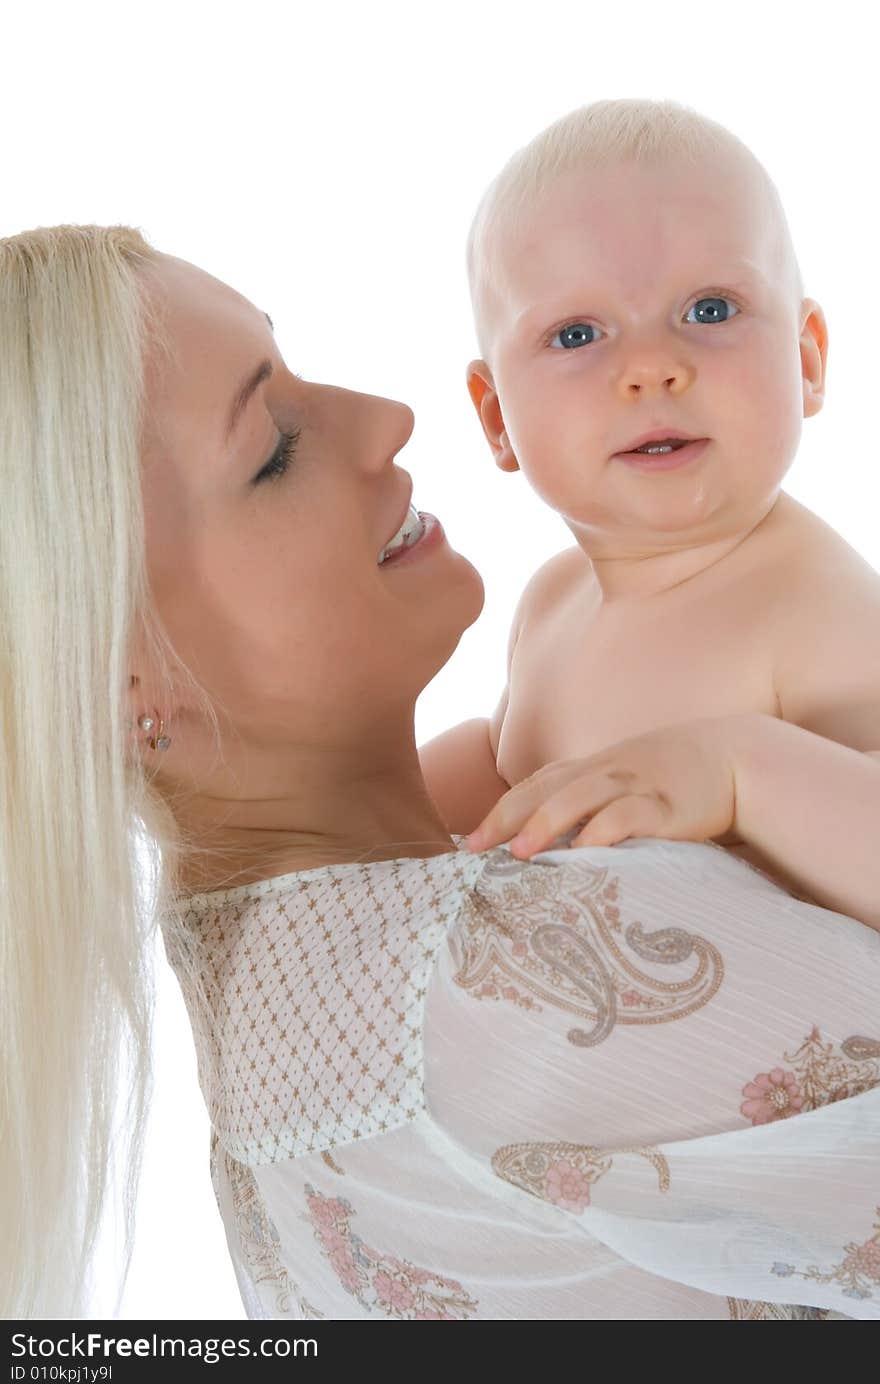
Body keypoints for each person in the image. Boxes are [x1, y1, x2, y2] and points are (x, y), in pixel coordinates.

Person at [1, 224, 878, 1322]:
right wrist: (758, 766)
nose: (386, 420)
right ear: (121, 680)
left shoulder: (281, 1019)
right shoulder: (528, 988)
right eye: (273, 445)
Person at [419, 98, 880, 903]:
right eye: (576, 335)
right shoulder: (551, 603)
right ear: (497, 419)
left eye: (710, 310)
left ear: (805, 362)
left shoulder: (815, 609)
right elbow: (510, 789)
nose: (652, 367)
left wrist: (743, 770)